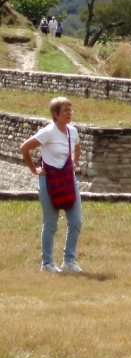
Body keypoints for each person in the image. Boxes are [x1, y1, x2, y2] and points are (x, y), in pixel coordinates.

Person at [20, 97, 83, 273]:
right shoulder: (48, 132)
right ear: (56, 115)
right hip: (49, 180)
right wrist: (34, 169)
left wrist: (72, 163)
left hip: (68, 179)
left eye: (70, 110)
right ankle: (47, 263)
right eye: (65, 110)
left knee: (76, 221)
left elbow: (77, 148)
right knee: (51, 223)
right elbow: (25, 148)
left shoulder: (72, 132)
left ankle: (69, 261)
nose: (69, 113)